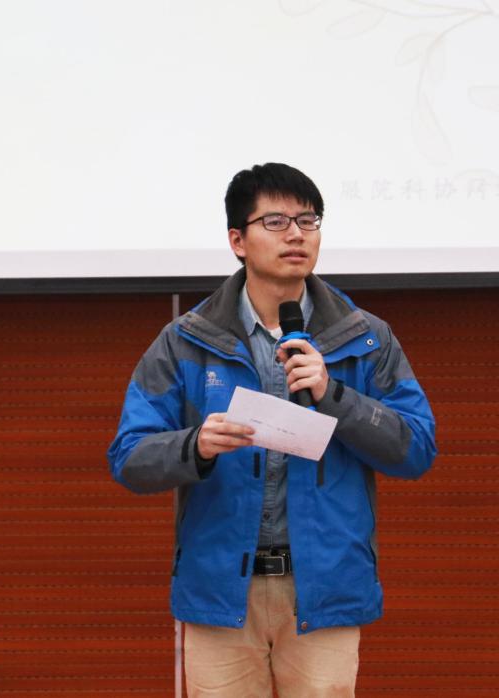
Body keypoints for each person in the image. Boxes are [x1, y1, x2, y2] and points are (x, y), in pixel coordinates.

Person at [107, 162, 436, 697]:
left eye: (308, 221)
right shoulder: (187, 341)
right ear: (238, 241)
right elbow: (129, 456)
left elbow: (416, 448)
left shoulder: (364, 338)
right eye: (276, 222)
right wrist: (195, 445)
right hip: (221, 594)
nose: (296, 235)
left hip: (323, 592)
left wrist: (335, 396)